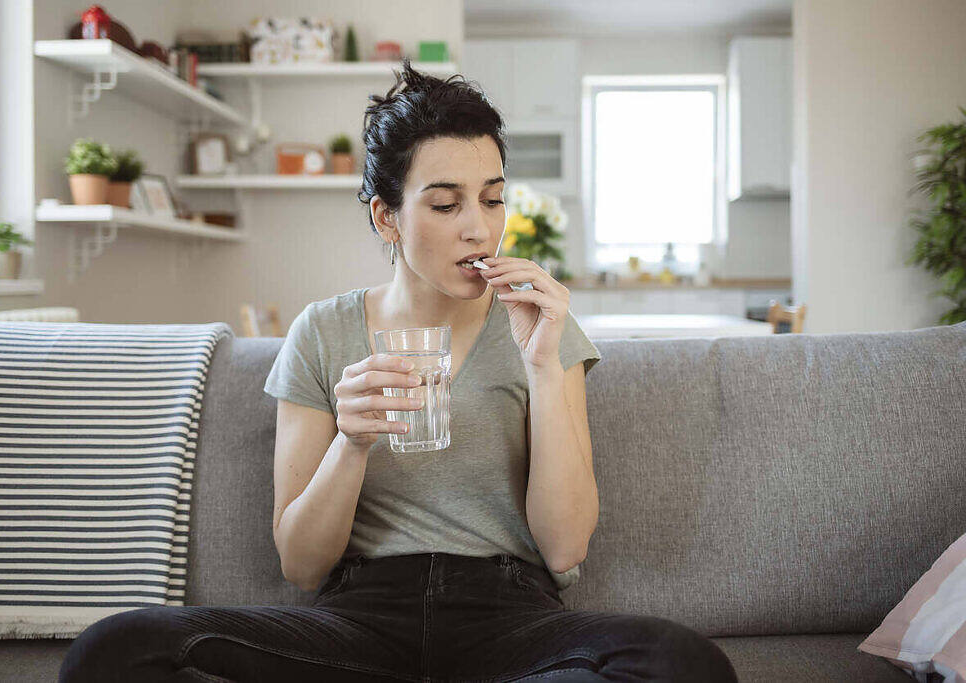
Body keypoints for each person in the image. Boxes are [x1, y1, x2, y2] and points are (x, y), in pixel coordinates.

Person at [59, 59, 737, 682]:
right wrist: (350, 444)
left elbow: (563, 549)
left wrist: (544, 370)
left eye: (493, 198)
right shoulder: (322, 331)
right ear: (387, 217)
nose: (480, 228)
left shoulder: (541, 324)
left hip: (510, 615)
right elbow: (301, 565)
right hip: (356, 618)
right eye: (446, 204)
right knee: (114, 648)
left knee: (687, 662)